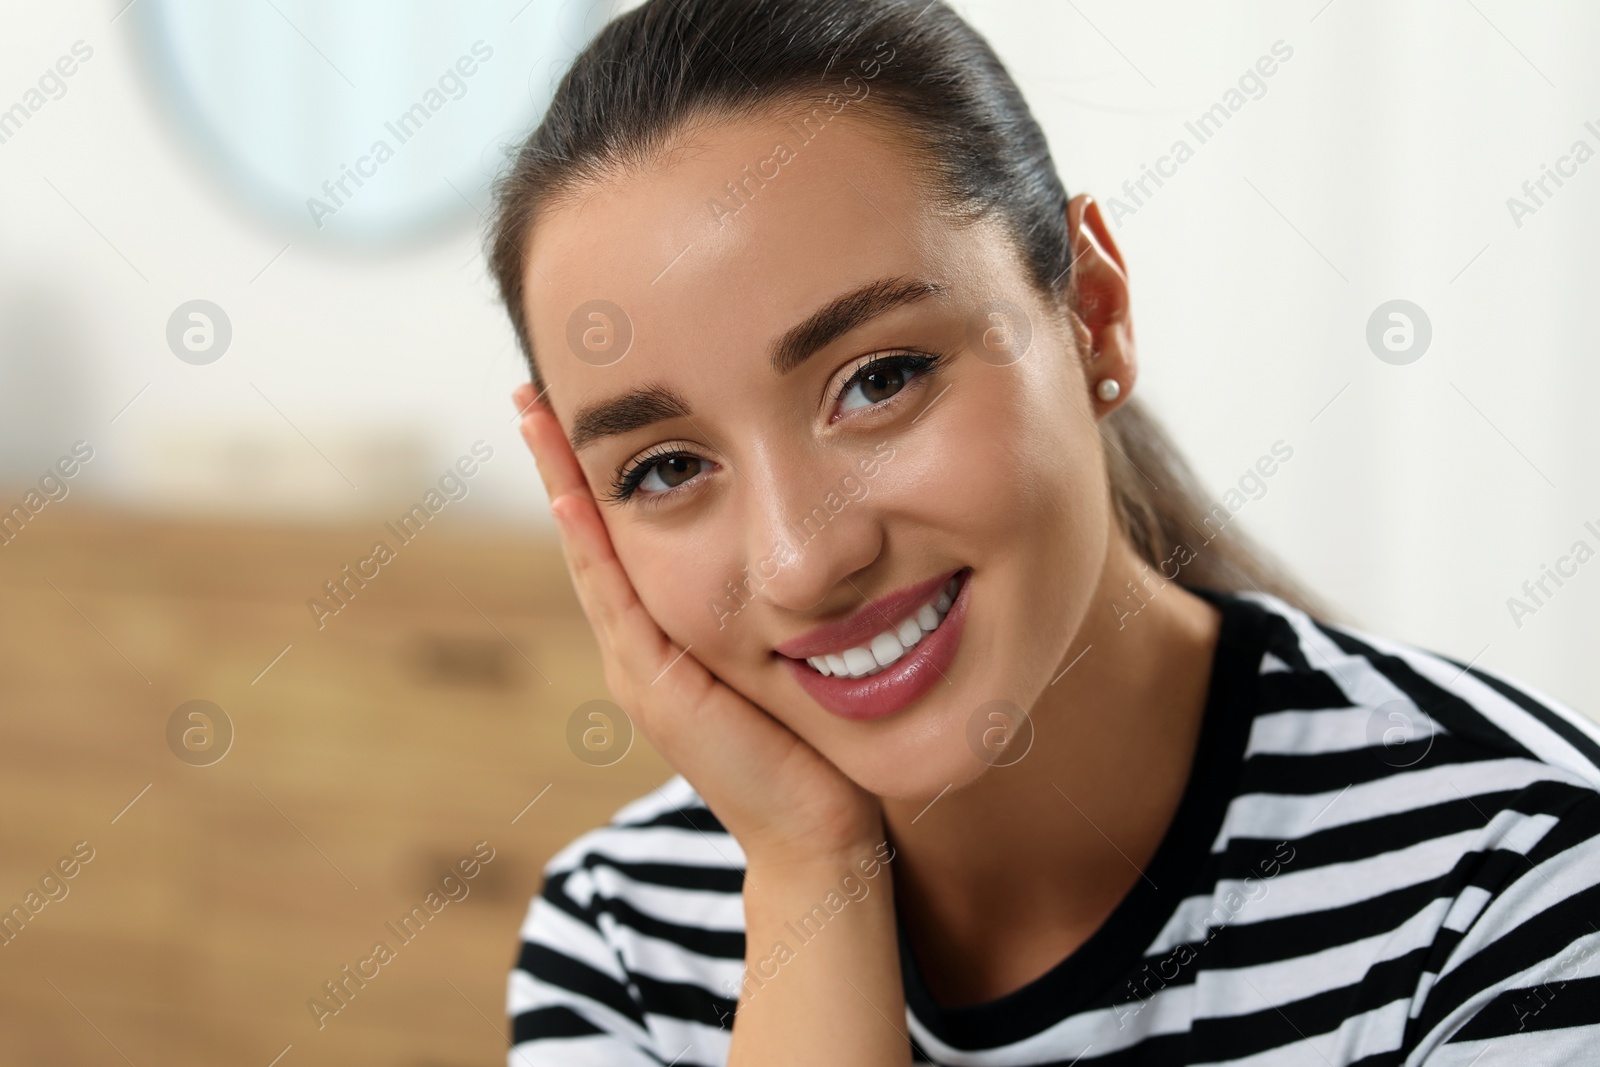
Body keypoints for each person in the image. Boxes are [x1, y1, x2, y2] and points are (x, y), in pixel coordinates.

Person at [487, 1, 1600, 1063]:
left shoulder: (1522, 890)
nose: (802, 557)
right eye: (666, 467)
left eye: (879, 379)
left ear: (1093, 316)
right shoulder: (623, 939)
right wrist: (809, 877)